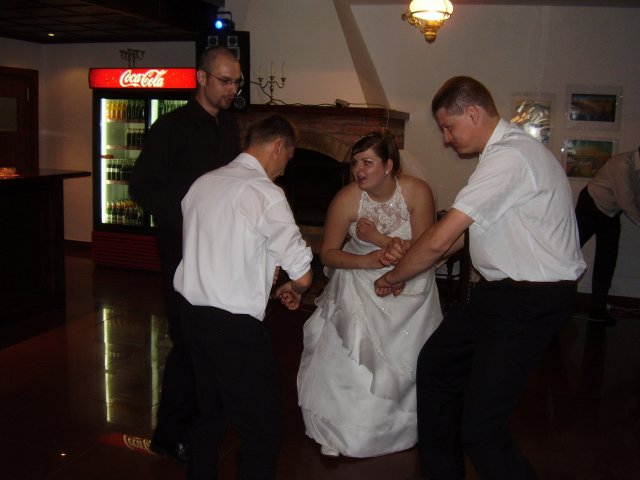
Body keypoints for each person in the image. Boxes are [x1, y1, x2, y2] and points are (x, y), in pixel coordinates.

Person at [374, 76, 586, 479]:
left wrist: (394, 277)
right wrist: (416, 259)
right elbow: (459, 237)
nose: (446, 139)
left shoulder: (511, 157)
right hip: (500, 295)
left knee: (482, 429)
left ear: (472, 113)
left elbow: (442, 238)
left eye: (448, 127)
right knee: (437, 366)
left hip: (531, 300)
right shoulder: (501, 156)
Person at [174, 114, 313, 480]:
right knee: (262, 429)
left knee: (208, 414)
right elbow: (302, 272)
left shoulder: (202, 183)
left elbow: (220, 246)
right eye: (288, 159)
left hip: (191, 319)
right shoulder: (264, 192)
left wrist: (263, 266)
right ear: (278, 146)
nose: (284, 169)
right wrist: (296, 288)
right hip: (234, 329)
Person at [297, 130, 443, 458]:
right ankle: (343, 429)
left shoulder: (417, 192)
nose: (358, 170)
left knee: (411, 358)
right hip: (359, 278)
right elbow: (328, 254)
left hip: (411, 280)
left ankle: (402, 427)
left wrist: (382, 245)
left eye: (367, 162)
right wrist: (367, 260)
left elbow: (426, 249)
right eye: (355, 163)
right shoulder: (346, 199)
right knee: (352, 353)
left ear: (388, 165)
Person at [128, 46, 243, 462]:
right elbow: (140, 187)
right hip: (181, 248)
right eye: (225, 81)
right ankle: (169, 433)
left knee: (208, 336)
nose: (232, 89)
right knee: (187, 338)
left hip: (217, 248)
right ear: (201, 78)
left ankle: (201, 422)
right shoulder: (170, 127)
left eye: (236, 82)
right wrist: (186, 220)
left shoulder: (228, 126)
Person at [574, 147, 640, 325]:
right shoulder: (622, 164)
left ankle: (598, 308)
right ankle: (562, 301)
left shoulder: (636, 167)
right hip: (590, 205)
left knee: (607, 260)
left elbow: (636, 196)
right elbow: (626, 200)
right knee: (570, 251)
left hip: (611, 212)